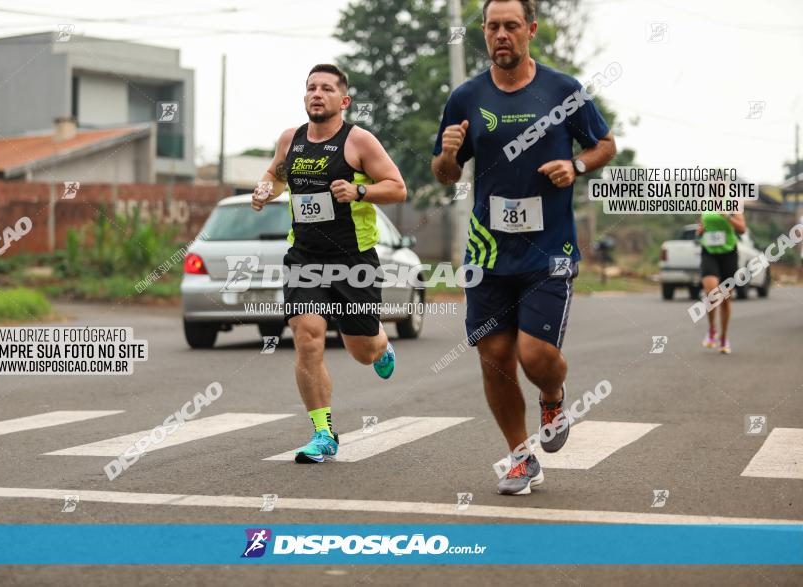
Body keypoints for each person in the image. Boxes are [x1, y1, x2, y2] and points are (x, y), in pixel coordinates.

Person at [431, 0, 616, 495]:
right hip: (488, 252)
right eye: (493, 27)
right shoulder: (466, 97)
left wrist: (575, 167)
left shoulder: (563, 90)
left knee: (536, 356)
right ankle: (520, 457)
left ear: (530, 30)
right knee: (494, 356)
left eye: (511, 26)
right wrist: (448, 155)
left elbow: (605, 144)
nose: (501, 35)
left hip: (548, 250)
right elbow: (445, 174)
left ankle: (553, 397)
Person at [252, 64, 407, 463]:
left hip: (353, 260)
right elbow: (276, 174)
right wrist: (264, 189)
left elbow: (397, 188)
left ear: (344, 100)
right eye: (310, 88)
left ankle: (381, 346)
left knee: (362, 351)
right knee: (308, 337)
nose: (316, 94)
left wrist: (359, 190)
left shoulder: (359, 142)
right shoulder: (291, 139)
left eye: (325, 88)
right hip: (304, 257)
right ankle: (323, 433)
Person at [696, 207, 746, 354]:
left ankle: (723, 338)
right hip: (709, 253)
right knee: (711, 292)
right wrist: (700, 231)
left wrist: (727, 216)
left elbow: (742, 229)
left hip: (728, 253)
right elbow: (703, 224)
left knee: (725, 299)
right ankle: (712, 329)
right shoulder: (705, 202)